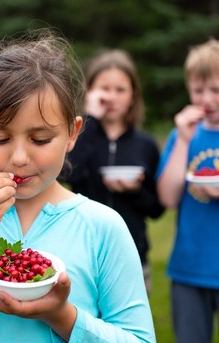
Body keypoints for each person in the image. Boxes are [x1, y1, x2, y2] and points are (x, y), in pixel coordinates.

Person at [0, 30, 156, 342]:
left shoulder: (102, 227)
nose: (19, 158)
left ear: (72, 133)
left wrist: (62, 316)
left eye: (40, 139)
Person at [60, 49, 164, 293]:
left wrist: (134, 191)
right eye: (104, 89)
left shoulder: (145, 144)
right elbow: (66, 175)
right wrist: (91, 120)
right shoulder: (80, 136)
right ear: (91, 92)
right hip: (83, 250)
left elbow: (157, 208)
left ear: (133, 95)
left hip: (132, 253)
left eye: (120, 90)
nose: (112, 97)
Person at [156, 38, 219, 343]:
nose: (207, 99)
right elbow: (168, 197)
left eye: (216, 90)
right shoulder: (182, 135)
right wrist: (182, 139)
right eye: (198, 90)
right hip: (189, 268)